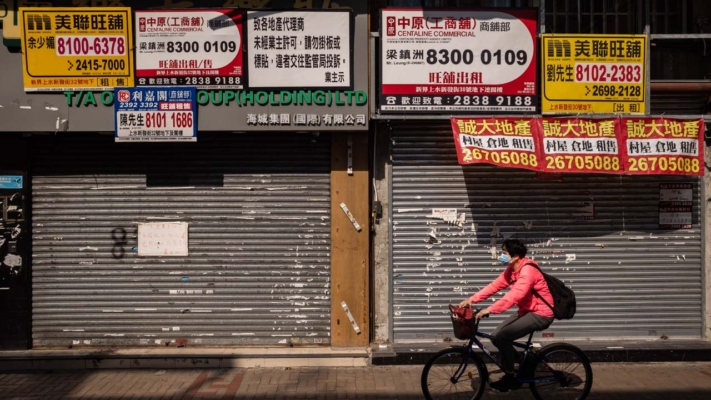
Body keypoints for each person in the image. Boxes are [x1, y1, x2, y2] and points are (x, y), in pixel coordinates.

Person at [458, 239, 554, 393]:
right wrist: (472, 299)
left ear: (515, 256)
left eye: (504, 253)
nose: (501, 256)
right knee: (496, 336)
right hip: (527, 311)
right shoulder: (512, 269)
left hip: (541, 313)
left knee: (503, 337)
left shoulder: (528, 271)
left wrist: (490, 309)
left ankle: (510, 378)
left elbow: (514, 296)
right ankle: (525, 360)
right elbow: (494, 286)